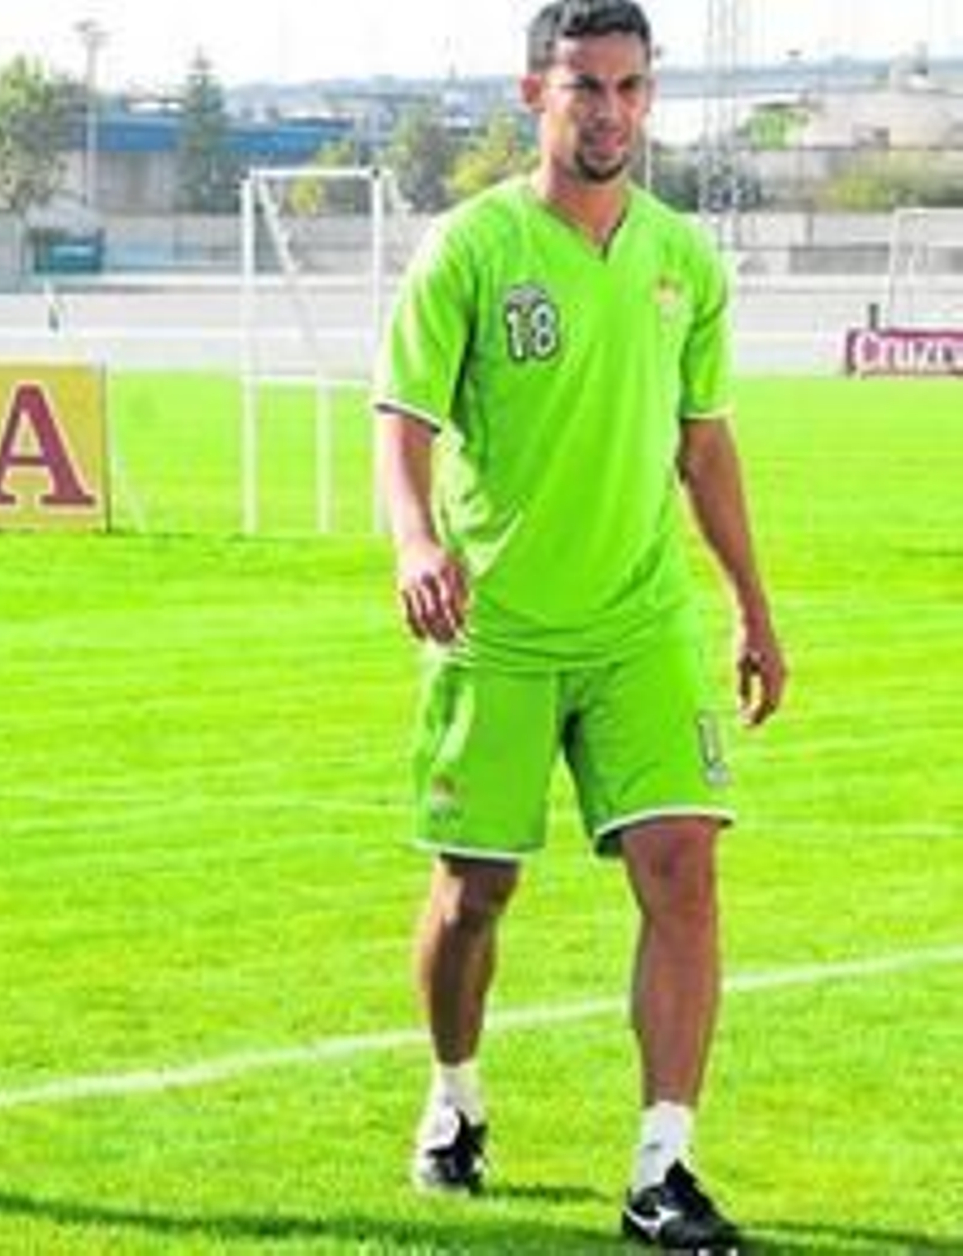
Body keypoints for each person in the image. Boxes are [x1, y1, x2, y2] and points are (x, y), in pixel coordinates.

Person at [373, 0, 785, 1247]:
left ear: (650, 97)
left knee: (685, 868)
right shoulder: (471, 248)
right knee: (475, 890)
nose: (607, 111)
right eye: (583, 87)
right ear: (532, 95)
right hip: (498, 623)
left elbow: (702, 447)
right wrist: (413, 539)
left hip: (639, 623)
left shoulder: (681, 261)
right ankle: (453, 1096)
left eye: (628, 87)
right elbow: (400, 418)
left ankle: (662, 1163)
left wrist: (751, 606)